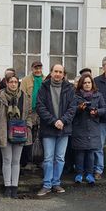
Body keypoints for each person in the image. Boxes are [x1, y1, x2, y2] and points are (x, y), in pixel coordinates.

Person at [36, 64, 77, 196]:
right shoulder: (44, 87)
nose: (58, 74)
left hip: (64, 128)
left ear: (63, 74)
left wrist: (62, 121)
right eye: (55, 71)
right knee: (48, 158)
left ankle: (56, 183)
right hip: (48, 128)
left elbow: (72, 107)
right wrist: (54, 121)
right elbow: (40, 106)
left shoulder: (69, 88)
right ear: (51, 72)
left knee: (60, 158)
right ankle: (47, 184)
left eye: (60, 72)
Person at [0, 73, 33, 198]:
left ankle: (14, 187)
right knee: (7, 160)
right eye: (11, 82)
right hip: (4, 131)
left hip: (20, 131)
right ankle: (7, 186)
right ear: (6, 83)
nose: (13, 84)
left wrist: (28, 126)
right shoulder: (0, 96)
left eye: (15, 82)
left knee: (16, 161)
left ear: (18, 83)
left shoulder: (24, 97)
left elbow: (30, 113)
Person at [72, 73, 105, 185]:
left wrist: (96, 112)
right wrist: (79, 108)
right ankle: (79, 174)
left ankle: (90, 174)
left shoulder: (98, 95)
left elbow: (104, 109)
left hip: (93, 127)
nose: (87, 84)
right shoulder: (75, 96)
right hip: (79, 127)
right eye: (85, 82)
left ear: (92, 84)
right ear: (81, 84)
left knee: (91, 153)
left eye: (89, 82)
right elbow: (71, 110)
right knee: (80, 153)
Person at [20, 60, 45, 169]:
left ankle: (39, 160)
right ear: (32, 68)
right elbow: (22, 95)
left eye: (40, 68)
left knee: (40, 135)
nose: (38, 70)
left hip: (42, 111)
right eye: (36, 68)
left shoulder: (45, 80)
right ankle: (28, 161)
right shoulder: (26, 80)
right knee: (29, 136)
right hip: (30, 111)